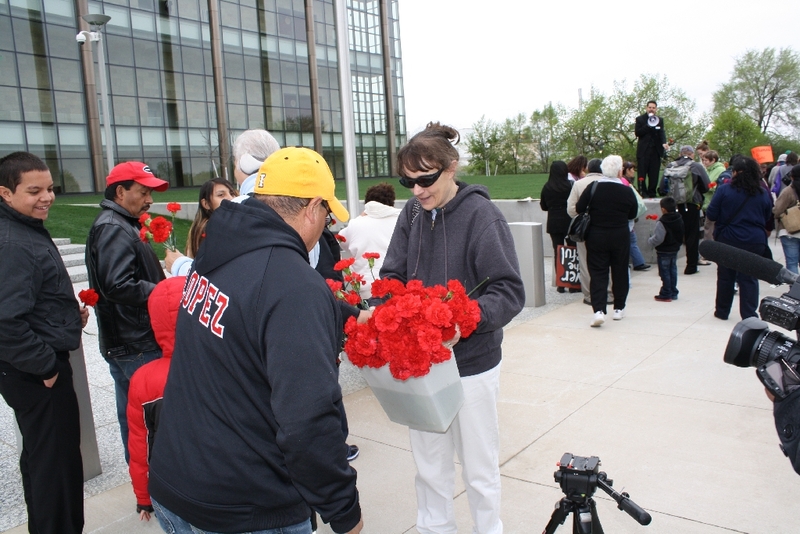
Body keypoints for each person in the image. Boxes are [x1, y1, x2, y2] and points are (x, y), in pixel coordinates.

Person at [148, 147, 363, 534]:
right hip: (244, 505)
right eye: (328, 216)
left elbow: (255, 303)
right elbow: (307, 422)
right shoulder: (294, 284)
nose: (325, 228)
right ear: (313, 207)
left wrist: (348, 313)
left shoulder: (220, 245)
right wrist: (344, 509)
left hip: (177, 480)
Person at [380, 122, 525, 534]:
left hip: (472, 365)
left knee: (478, 471)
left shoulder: (483, 215)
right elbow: (391, 273)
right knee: (429, 468)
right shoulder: (410, 212)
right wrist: (383, 310)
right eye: (408, 181)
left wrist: (467, 319)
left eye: (425, 179)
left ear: (451, 167)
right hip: (423, 367)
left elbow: (509, 290)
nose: (417, 190)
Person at [0, 152, 89, 534]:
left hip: (37, 367)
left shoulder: (25, 227)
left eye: (50, 188)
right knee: (56, 470)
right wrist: (46, 367)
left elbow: (31, 299)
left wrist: (68, 317)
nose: (47, 197)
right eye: (34, 191)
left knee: (46, 461)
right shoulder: (13, 242)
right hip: (37, 374)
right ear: (5, 192)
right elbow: (5, 320)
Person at [85, 161, 169, 462]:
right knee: (152, 421)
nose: (150, 200)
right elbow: (117, 284)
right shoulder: (113, 227)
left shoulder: (119, 224)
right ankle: (157, 487)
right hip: (137, 343)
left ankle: (146, 485)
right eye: (144, 192)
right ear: (120, 192)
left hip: (129, 341)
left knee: (136, 418)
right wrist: (165, 292)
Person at [165, 129, 280, 274]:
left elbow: (215, 278)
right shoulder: (299, 203)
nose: (228, 198)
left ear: (242, 163)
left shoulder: (232, 213)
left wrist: (178, 265)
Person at [126, 276, 185, 522]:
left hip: (167, 486)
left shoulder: (143, 380)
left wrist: (143, 497)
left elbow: (140, 446)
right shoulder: (217, 367)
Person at [706, 157, 773, 320]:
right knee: (749, 278)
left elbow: (711, 214)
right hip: (754, 239)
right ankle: (749, 314)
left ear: (734, 172)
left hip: (728, 238)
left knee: (725, 276)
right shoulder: (762, 192)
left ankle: (722, 311)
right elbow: (768, 216)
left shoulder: (724, 190)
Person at [576, 155, 639, 327]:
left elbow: (579, 208)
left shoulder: (593, 187)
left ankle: (598, 310)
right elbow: (633, 213)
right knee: (619, 271)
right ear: (620, 171)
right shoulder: (626, 191)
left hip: (596, 235)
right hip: (619, 234)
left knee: (597, 272)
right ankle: (619, 308)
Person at [338, 182, 401, 299]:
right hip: (394, 285)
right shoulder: (401, 220)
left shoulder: (357, 223)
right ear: (391, 202)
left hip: (364, 288)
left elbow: (342, 241)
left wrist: (360, 217)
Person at [169, 178, 237, 276]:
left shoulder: (222, 225)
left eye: (232, 193)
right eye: (221, 195)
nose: (231, 198)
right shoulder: (210, 229)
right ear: (206, 204)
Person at [659, 146, 710, 275]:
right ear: (692, 154)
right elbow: (706, 185)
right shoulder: (696, 166)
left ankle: (667, 266)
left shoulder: (671, 165)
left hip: (672, 205)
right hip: (691, 204)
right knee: (691, 235)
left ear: (680, 154)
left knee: (672, 234)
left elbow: (662, 187)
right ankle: (691, 266)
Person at [567, 158, 604, 305]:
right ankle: (608, 291)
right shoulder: (613, 183)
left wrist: (582, 219)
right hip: (607, 228)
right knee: (606, 262)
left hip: (586, 230)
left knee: (585, 262)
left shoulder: (579, 184)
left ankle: (589, 294)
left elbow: (571, 209)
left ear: (588, 169)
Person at [540, 161, 580, 293]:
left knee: (558, 251)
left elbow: (544, 206)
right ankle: (572, 283)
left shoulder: (547, 187)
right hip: (569, 220)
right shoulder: (570, 185)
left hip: (554, 221)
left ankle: (560, 283)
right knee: (572, 250)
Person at [647, 197, 685, 302]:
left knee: (664, 272)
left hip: (664, 250)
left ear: (663, 209)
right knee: (672, 270)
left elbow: (659, 238)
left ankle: (666, 292)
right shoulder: (679, 218)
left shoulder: (662, 222)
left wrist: (650, 241)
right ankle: (673, 291)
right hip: (674, 249)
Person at [635, 100, 669, 198]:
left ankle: (652, 192)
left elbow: (661, 133)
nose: (651, 109)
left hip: (655, 151)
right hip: (643, 152)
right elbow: (638, 133)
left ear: (656, 109)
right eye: (650, 107)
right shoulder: (640, 119)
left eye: (653, 108)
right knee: (642, 173)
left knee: (654, 174)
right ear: (646, 108)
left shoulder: (660, 120)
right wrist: (649, 125)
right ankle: (642, 192)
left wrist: (664, 143)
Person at [622, 161, 650, 272]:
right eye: (632, 169)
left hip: (628, 217)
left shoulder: (626, 181)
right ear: (627, 170)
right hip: (628, 217)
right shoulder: (625, 182)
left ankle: (639, 261)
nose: (634, 172)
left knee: (632, 240)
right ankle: (639, 262)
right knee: (632, 240)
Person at [773, 165, 800, 274]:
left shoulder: (788, 191)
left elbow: (777, 210)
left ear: (792, 177)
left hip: (789, 231)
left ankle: (796, 289)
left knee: (791, 263)